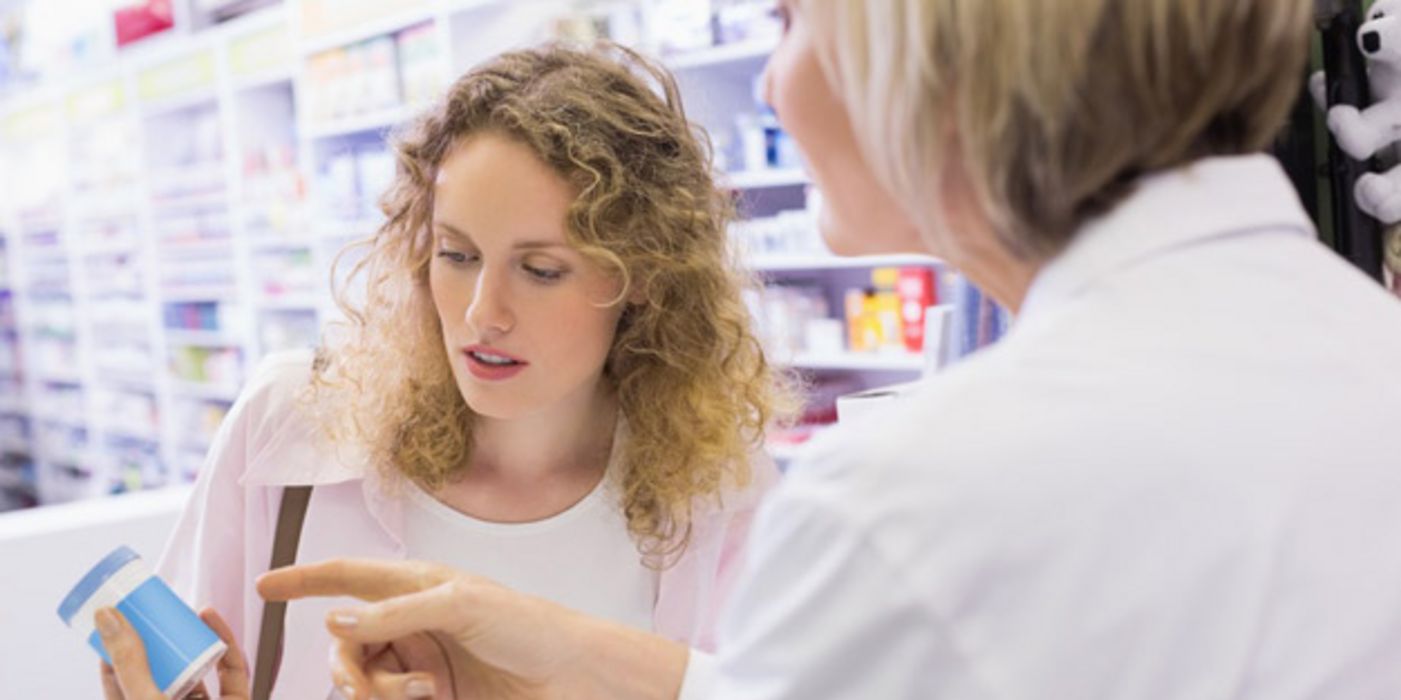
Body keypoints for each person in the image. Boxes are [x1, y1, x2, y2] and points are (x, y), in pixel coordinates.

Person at [250, 0, 1401, 698]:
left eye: (794, 21)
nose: (769, 79)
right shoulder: (1362, 355)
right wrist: (561, 648)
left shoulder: (912, 505)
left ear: (930, 52)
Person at [102, 43, 793, 699]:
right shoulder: (292, 418)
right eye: (456, 256)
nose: (481, 313)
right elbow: (182, 666)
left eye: (541, 270)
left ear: (642, 275)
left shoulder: (716, 489)